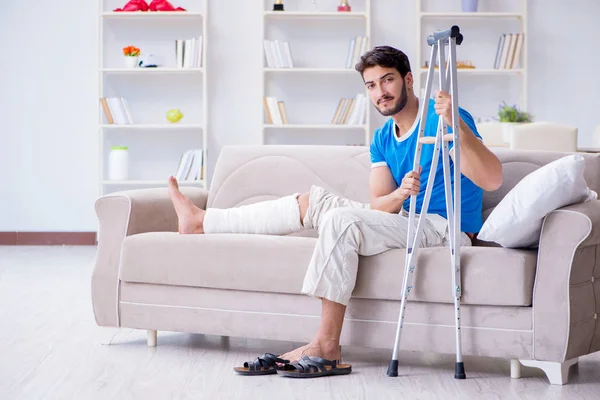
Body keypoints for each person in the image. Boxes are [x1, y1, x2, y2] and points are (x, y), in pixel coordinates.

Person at [167, 46, 503, 378]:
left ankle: (326, 346)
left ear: (409, 80)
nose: (380, 93)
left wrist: (455, 125)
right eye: (371, 85)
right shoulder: (383, 137)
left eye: (387, 81)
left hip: (445, 228)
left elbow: (491, 178)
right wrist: (401, 193)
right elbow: (379, 204)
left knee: (340, 220)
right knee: (312, 202)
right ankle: (202, 221)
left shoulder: (443, 117)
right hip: (405, 220)